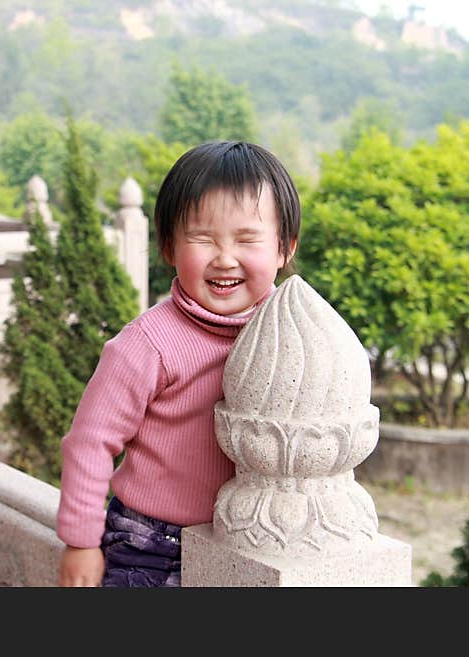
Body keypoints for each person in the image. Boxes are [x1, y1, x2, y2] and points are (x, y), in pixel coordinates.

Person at [56, 141, 301, 587]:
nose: (225, 257)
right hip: (149, 543)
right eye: (203, 238)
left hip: (244, 539)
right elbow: (89, 443)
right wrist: (80, 542)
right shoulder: (148, 343)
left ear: (284, 248)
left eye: (247, 239)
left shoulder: (285, 335)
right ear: (169, 246)